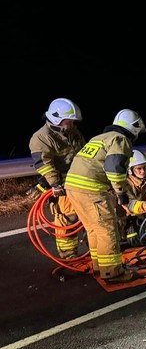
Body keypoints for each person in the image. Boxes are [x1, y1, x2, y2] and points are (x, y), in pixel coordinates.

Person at [64, 109, 146, 283]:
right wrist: (121, 193)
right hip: (90, 188)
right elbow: (114, 168)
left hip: (72, 186)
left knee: (93, 228)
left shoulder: (99, 138)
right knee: (107, 229)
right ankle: (113, 272)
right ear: (134, 128)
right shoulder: (120, 139)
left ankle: (98, 266)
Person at [29, 98, 86, 259]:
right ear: (57, 119)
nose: (72, 124)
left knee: (89, 216)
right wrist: (55, 184)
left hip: (80, 182)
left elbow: (83, 154)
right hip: (62, 186)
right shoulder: (41, 138)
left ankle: (96, 252)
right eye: (70, 121)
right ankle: (68, 256)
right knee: (67, 219)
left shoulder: (73, 133)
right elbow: (44, 164)